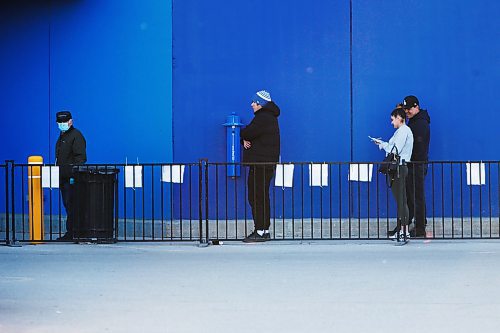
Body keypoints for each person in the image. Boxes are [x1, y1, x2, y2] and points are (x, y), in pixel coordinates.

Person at [241, 90, 280, 242]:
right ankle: (263, 230)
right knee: (261, 196)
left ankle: (261, 231)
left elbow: (248, 132)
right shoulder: (268, 117)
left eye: (254, 102)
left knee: (257, 196)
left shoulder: (263, 118)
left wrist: (243, 136)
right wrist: (243, 139)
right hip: (264, 164)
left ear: (261, 103)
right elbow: (249, 135)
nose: (251, 104)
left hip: (260, 164)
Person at [374, 108, 413, 241]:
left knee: (401, 200)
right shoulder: (402, 131)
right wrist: (382, 144)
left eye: (392, 119)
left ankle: (404, 231)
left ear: (398, 117)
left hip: (399, 168)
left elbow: (395, 149)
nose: (391, 122)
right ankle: (403, 230)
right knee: (401, 200)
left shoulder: (403, 131)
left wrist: (383, 145)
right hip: (400, 167)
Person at [55, 111, 87, 241]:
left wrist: (72, 172)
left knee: (73, 205)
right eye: (60, 123)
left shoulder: (76, 135)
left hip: (71, 178)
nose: (62, 124)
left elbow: (81, 158)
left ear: (71, 121)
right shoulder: (63, 136)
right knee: (68, 205)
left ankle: (74, 232)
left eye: (64, 122)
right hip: (63, 177)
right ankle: (72, 232)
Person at [402, 95, 431, 238]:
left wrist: (411, 160)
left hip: (416, 164)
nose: (406, 112)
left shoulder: (419, 124)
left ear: (416, 106)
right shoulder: (415, 121)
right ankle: (417, 224)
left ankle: (420, 228)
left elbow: (418, 146)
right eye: (405, 109)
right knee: (413, 195)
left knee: (417, 196)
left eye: (408, 109)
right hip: (415, 164)